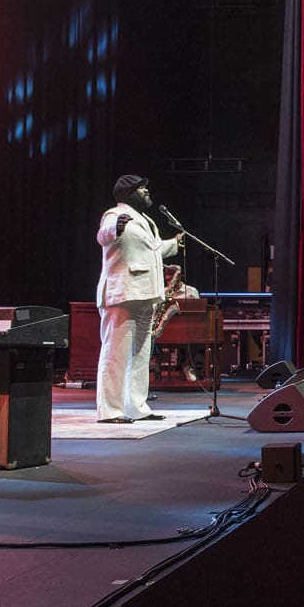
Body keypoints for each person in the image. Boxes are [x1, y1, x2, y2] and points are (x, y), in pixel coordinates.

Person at [94, 174, 182, 424]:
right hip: (122, 294)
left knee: (141, 355)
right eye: (141, 189)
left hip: (146, 295)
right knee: (115, 353)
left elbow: (152, 250)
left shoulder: (146, 220)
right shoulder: (114, 214)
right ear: (128, 194)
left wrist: (173, 244)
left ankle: (136, 407)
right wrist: (116, 228)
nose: (146, 192)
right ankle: (110, 410)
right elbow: (103, 235)